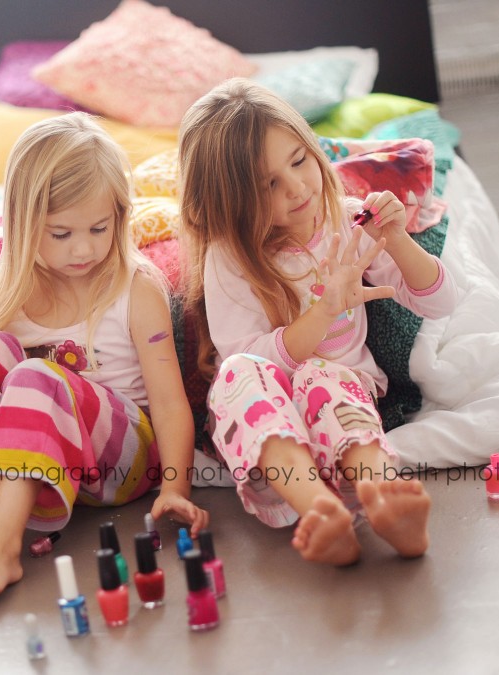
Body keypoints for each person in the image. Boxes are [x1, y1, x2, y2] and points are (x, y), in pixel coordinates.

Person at [0, 112, 209, 602]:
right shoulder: (6, 293)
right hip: (39, 468)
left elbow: (167, 401)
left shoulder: (134, 289)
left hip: (125, 464)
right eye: (61, 234)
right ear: (24, 224)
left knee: (37, 375)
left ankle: (2, 547)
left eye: (99, 228)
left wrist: (175, 489)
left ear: (120, 215)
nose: (84, 248)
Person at [178, 78, 457, 566]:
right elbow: (248, 358)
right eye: (269, 185)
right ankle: (319, 510)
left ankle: (384, 495)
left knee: (321, 375)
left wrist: (395, 237)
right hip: (268, 431)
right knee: (236, 373)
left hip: (343, 403)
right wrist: (323, 312)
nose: (298, 188)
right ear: (230, 202)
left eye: (299, 161)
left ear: (312, 147)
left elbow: (438, 302)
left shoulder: (347, 221)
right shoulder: (228, 258)